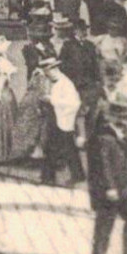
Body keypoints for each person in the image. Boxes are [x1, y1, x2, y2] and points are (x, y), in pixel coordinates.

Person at [89, 96, 127, 254]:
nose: (124, 120)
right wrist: (109, 187)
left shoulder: (126, 136)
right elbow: (102, 166)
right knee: (105, 222)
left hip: (124, 185)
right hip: (108, 187)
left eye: (126, 117)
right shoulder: (103, 137)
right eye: (120, 117)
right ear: (111, 117)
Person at [41, 57, 85, 186]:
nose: (47, 75)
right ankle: (49, 177)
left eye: (48, 72)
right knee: (55, 147)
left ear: (54, 69)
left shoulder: (66, 84)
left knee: (64, 148)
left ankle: (51, 177)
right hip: (57, 117)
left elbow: (73, 103)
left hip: (64, 119)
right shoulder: (56, 81)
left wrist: (51, 100)